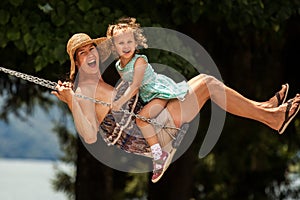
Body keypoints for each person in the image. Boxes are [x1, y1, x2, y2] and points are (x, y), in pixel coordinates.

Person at [51, 32, 300, 183]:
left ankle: (266, 109)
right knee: (208, 84)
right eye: (81, 54)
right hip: (147, 134)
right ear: (77, 62)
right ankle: (272, 117)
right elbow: (89, 134)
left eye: (90, 49)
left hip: (154, 118)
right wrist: (71, 101)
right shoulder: (82, 91)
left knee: (205, 84)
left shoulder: (99, 82)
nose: (89, 54)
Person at [105, 17, 190, 182]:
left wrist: (119, 102)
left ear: (136, 43)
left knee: (142, 121)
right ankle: (161, 142)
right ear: (114, 47)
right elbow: (126, 84)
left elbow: (135, 85)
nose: (126, 46)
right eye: (121, 43)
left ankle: (159, 154)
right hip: (145, 96)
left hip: (157, 92)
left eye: (130, 41)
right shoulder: (118, 66)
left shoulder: (140, 61)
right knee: (139, 118)